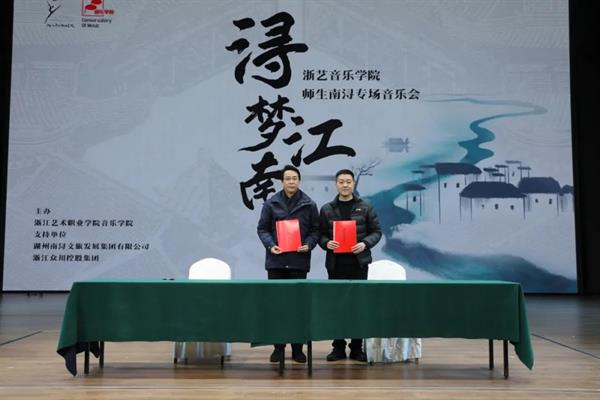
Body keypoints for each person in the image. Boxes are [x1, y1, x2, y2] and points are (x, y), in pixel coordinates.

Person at [257, 165, 319, 364]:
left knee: (298, 307)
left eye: (294, 178)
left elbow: (316, 231)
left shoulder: (309, 204)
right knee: (277, 307)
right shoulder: (271, 203)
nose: (291, 181)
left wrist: (308, 244)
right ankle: (278, 348)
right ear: (282, 181)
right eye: (288, 178)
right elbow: (262, 229)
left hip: (298, 262)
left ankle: (297, 349)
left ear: (299, 181)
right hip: (276, 262)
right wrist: (271, 245)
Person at [319, 169, 382, 362]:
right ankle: (338, 347)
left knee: (358, 306)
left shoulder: (366, 206)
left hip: (358, 264)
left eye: (348, 181)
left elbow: (376, 232)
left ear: (353, 184)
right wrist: (326, 243)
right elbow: (320, 235)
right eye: (341, 182)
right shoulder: (327, 209)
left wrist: (365, 244)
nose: (345, 185)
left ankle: (356, 347)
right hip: (335, 265)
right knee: (337, 306)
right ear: (336, 184)